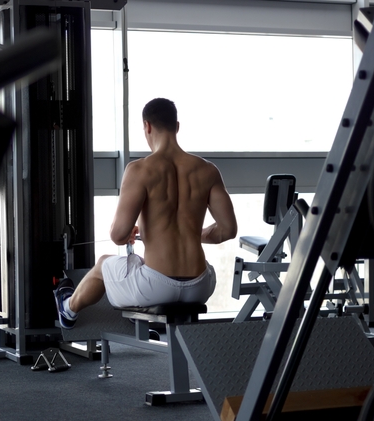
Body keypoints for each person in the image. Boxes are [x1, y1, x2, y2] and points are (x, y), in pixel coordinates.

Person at [54, 98, 237, 329]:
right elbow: (228, 230)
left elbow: (118, 235)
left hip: (155, 287)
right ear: (177, 126)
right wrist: (190, 233)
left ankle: (68, 308)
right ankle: (137, 306)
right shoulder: (208, 170)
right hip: (199, 287)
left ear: (147, 126)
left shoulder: (139, 170)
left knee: (103, 264)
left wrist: (127, 232)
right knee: (140, 265)